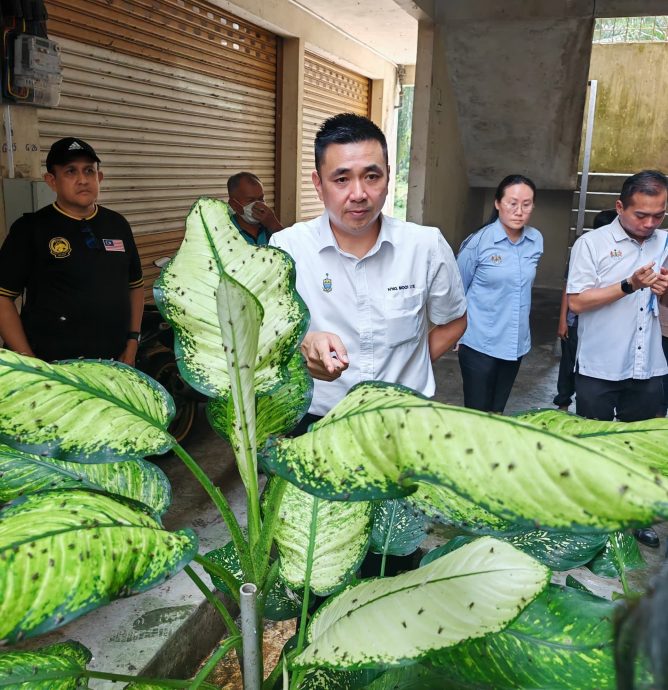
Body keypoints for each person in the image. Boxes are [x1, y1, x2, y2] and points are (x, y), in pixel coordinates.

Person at [269, 113, 467, 428]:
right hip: (316, 418)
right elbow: (265, 334)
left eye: (372, 176)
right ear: (319, 185)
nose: (359, 193)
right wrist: (302, 344)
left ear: (388, 177)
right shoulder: (287, 249)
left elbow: (454, 321)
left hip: (403, 415)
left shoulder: (425, 246)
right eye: (342, 178)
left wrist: (410, 370)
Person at [567, 170, 668, 548]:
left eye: (659, 215)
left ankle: (632, 517)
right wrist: (630, 285)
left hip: (648, 366)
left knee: (638, 448)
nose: (649, 224)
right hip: (599, 363)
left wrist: (664, 293)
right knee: (595, 444)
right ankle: (593, 519)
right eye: (641, 215)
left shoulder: (665, 243)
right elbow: (577, 301)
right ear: (620, 207)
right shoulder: (591, 245)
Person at [0, 137, 144, 364]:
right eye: (70, 171)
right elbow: (2, 299)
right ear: (51, 181)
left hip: (114, 363)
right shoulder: (30, 229)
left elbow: (135, 286)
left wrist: (133, 342)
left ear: (100, 177)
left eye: (89, 171)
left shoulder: (117, 224)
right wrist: (30, 363)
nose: (82, 180)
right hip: (52, 368)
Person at [456, 175, 543, 413]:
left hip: (516, 343)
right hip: (479, 341)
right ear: (497, 203)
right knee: (477, 414)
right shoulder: (478, 243)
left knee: (497, 411)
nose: (519, 211)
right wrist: (455, 333)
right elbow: (457, 290)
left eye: (526, 204)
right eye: (512, 203)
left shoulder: (535, 241)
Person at [553, 208, 618, 411]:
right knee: (569, 362)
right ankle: (563, 400)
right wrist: (563, 320)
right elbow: (568, 286)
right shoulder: (586, 247)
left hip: (604, 322)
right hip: (576, 319)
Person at [227, 172, 282, 246]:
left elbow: (292, 250)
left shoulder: (270, 227)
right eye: (250, 200)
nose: (258, 205)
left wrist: (274, 225)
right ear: (234, 205)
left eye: (261, 198)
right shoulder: (226, 232)